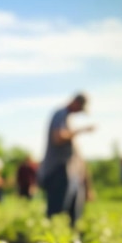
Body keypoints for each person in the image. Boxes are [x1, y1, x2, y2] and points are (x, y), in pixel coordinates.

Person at [37, 93, 95, 225]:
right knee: (56, 213)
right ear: (76, 102)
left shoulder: (68, 118)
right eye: (80, 109)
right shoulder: (61, 114)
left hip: (70, 172)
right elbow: (58, 138)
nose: (79, 112)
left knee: (73, 214)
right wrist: (82, 130)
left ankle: (69, 242)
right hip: (58, 170)